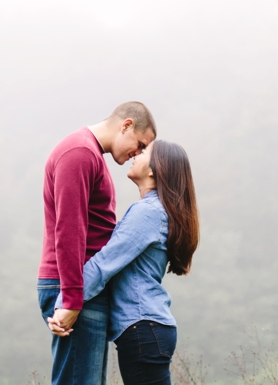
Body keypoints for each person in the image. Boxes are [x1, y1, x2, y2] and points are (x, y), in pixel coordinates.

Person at [48, 140, 199, 385]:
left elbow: (104, 264)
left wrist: (64, 303)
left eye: (144, 152)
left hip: (144, 328)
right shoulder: (154, 211)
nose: (136, 155)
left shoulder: (148, 213)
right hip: (148, 328)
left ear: (153, 169)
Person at [38, 101, 157, 385]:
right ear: (126, 125)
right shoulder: (79, 153)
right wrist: (72, 298)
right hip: (75, 284)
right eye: (140, 144)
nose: (138, 154)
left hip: (82, 285)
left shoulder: (89, 153)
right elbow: (68, 229)